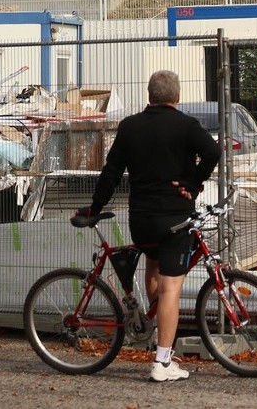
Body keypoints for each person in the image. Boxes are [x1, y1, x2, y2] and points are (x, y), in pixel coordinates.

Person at [76, 70, 220, 383]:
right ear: (177, 97)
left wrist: (94, 208)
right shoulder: (186, 125)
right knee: (172, 289)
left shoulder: (130, 126)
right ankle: (162, 361)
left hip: (141, 220)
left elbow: (111, 172)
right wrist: (193, 183)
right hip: (174, 220)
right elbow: (213, 152)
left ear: (149, 96)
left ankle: (156, 338)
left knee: (153, 267)